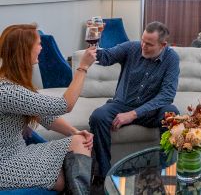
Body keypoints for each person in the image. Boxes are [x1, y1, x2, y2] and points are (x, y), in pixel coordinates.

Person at [0, 24, 96, 193]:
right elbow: (65, 105)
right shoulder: (7, 91)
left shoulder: (14, 81)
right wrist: (83, 67)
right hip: (6, 163)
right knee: (63, 177)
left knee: (79, 143)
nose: (41, 47)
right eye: (38, 43)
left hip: (18, 152)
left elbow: (45, 117)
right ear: (25, 50)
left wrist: (74, 132)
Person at [89, 21, 179, 179]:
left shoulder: (171, 59)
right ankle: (104, 175)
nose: (143, 46)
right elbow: (104, 57)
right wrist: (94, 37)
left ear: (163, 45)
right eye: (142, 40)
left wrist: (133, 114)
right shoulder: (132, 47)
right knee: (98, 116)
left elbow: (167, 95)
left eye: (149, 44)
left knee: (171, 113)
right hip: (121, 104)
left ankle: (165, 170)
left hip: (151, 110)